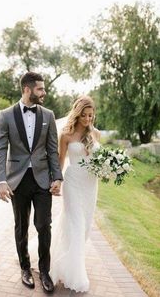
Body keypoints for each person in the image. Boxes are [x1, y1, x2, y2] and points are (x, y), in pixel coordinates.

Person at [0, 71, 63, 293]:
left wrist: (58, 177)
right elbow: (0, 149)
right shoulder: (5, 116)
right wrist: (0, 180)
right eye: (40, 88)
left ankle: (44, 271)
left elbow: (52, 149)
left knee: (44, 226)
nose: (44, 92)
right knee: (21, 227)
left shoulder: (49, 115)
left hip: (43, 180)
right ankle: (25, 268)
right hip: (18, 180)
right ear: (27, 89)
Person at [50, 95, 100, 293]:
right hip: (73, 184)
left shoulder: (96, 134)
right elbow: (60, 163)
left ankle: (68, 258)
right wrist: (57, 183)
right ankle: (76, 275)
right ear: (77, 115)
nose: (88, 119)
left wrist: (108, 169)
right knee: (77, 226)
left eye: (91, 115)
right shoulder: (66, 135)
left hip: (90, 185)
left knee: (85, 227)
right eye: (84, 116)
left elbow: (98, 161)